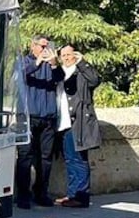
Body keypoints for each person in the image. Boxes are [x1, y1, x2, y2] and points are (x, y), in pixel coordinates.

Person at [15, 34, 64, 209]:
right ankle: (22, 195)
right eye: (42, 46)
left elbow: (60, 78)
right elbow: (20, 75)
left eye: (47, 46)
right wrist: (37, 63)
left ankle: (41, 193)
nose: (45, 50)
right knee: (25, 157)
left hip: (48, 117)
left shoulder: (51, 65)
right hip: (28, 116)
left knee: (45, 158)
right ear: (33, 46)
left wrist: (53, 63)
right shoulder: (23, 61)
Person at [54, 45, 101, 208]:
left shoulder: (82, 72)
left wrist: (82, 62)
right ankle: (72, 194)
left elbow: (95, 80)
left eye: (69, 54)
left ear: (75, 55)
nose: (67, 58)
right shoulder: (60, 72)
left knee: (79, 160)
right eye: (63, 55)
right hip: (63, 123)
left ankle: (81, 197)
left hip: (79, 123)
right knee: (70, 159)